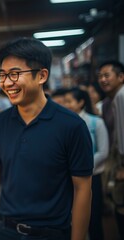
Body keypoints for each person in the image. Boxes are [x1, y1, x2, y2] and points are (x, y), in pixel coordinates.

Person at [0, 38, 93, 240]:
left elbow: (83, 189)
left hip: (50, 233)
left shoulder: (71, 125)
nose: (7, 83)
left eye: (15, 74)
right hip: (4, 230)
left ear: (42, 75)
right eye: (3, 75)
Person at [64, 87, 109, 240]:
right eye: (65, 102)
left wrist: (81, 166)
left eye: (69, 101)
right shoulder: (65, 124)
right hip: (69, 178)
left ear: (81, 102)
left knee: (93, 218)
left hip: (92, 176)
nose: (66, 105)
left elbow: (103, 152)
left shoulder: (96, 122)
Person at [97, 60, 124, 239]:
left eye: (107, 75)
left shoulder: (121, 96)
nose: (103, 80)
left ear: (121, 77)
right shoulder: (107, 103)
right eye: (100, 76)